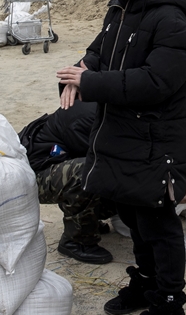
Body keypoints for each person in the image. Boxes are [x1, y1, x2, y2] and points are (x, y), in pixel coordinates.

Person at [56, 0, 186, 315]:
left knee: (158, 223)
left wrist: (92, 84)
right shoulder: (125, 2)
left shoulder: (170, 16)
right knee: (135, 219)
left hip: (155, 139)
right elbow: (103, 51)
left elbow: (157, 82)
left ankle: (170, 305)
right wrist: (79, 71)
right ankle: (146, 283)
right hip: (123, 133)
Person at [18, 101, 115, 264]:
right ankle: (76, 242)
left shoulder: (105, 111)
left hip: (57, 164)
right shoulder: (92, 120)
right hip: (34, 177)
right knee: (88, 171)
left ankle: (90, 221)